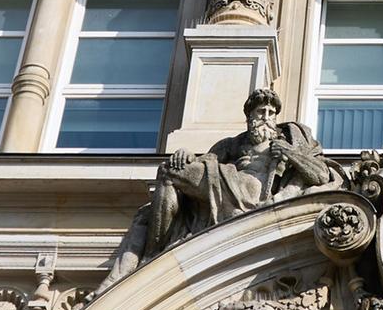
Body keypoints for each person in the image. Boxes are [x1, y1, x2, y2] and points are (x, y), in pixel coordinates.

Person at [90, 89, 342, 298]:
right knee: (168, 173)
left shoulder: (288, 140)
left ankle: (149, 258)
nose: (266, 117)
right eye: (260, 112)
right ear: (249, 116)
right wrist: (187, 155)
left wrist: (289, 153)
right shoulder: (233, 144)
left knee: (173, 175)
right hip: (224, 181)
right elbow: (206, 160)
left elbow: (319, 175)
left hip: (253, 193)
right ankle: (152, 256)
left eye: (271, 113)